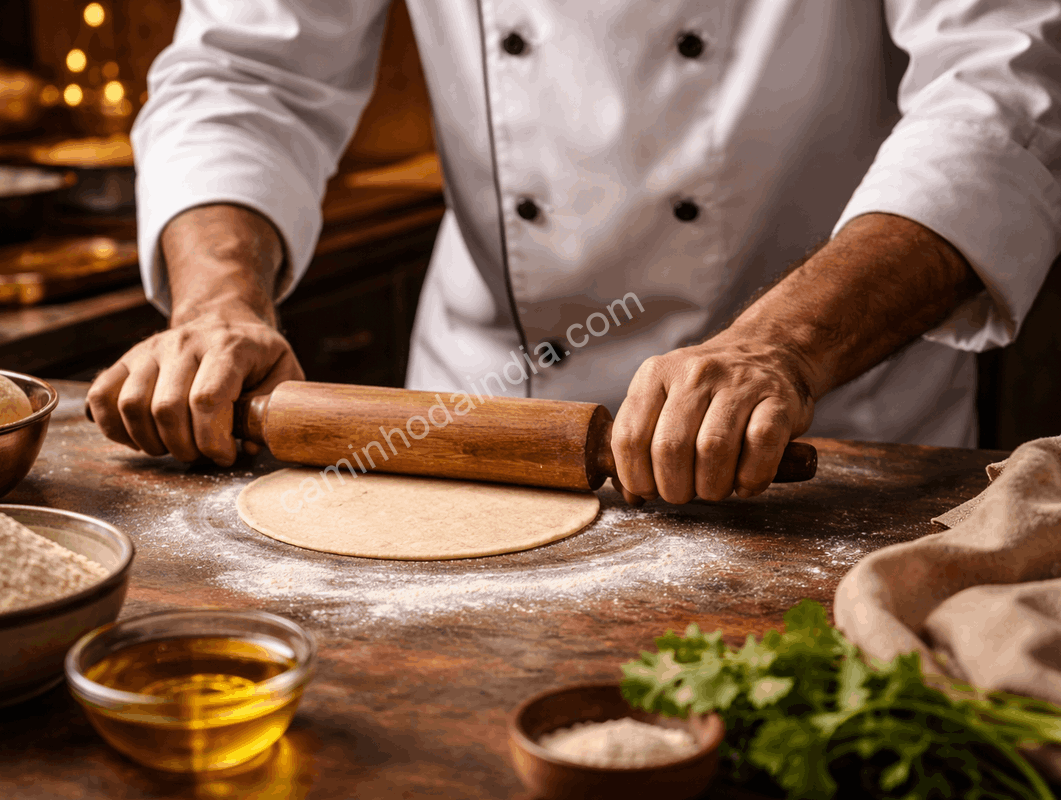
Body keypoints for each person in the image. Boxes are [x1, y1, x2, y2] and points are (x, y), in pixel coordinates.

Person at [87, 0, 1061, 504]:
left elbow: (1004, 93)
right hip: (480, 414)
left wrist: (782, 346)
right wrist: (218, 301)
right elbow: (246, 73)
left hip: (833, 415)